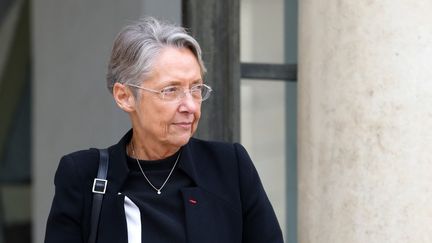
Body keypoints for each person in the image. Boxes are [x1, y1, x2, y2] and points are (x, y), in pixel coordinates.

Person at [44, 17, 283, 243]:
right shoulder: (82, 176)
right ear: (124, 96)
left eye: (196, 88)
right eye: (171, 90)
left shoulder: (230, 167)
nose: (190, 105)